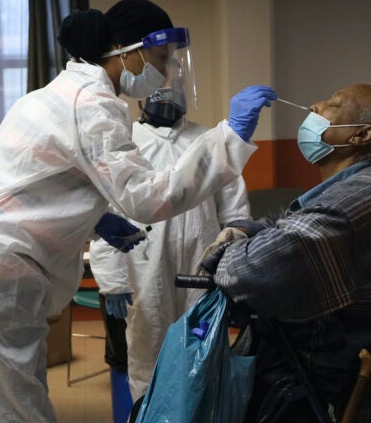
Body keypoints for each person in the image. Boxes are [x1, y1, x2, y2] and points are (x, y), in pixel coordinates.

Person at [0, 0, 276, 422]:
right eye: (161, 59)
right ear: (129, 51)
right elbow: (147, 199)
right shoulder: (95, 104)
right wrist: (230, 137)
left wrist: (93, 217)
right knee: (11, 401)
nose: (165, 73)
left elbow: (33, 179)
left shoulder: (55, 92)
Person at [203, 84, 371, 422]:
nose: (315, 103)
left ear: (362, 134)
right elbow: (292, 226)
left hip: (346, 394)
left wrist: (226, 250)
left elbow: (251, 274)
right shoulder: (366, 185)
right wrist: (248, 231)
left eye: (333, 104)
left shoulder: (355, 200)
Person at [89, 85, 252, 401]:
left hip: (201, 265)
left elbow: (234, 211)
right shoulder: (123, 143)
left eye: (174, 87)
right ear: (139, 95)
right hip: (143, 268)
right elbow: (105, 212)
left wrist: (232, 265)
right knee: (147, 349)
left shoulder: (209, 141)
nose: (166, 95)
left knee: (200, 348)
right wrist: (112, 280)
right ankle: (147, 413)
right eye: (157, 88)